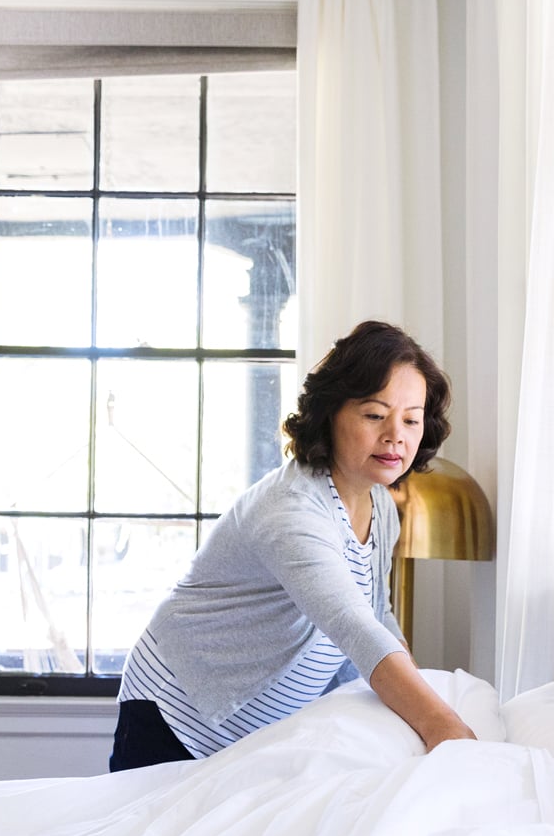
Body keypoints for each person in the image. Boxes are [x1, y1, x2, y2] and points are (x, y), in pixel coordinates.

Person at [109, 320, 478, 771]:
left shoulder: (380, 505)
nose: (395, 435)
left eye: (411, 419)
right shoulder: (292, 509)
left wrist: (417, 710)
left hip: (257, 733)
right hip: (177, 712)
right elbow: (354, 628)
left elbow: (377, 614)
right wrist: (442, 725)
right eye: (374, 415)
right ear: (330, 414)